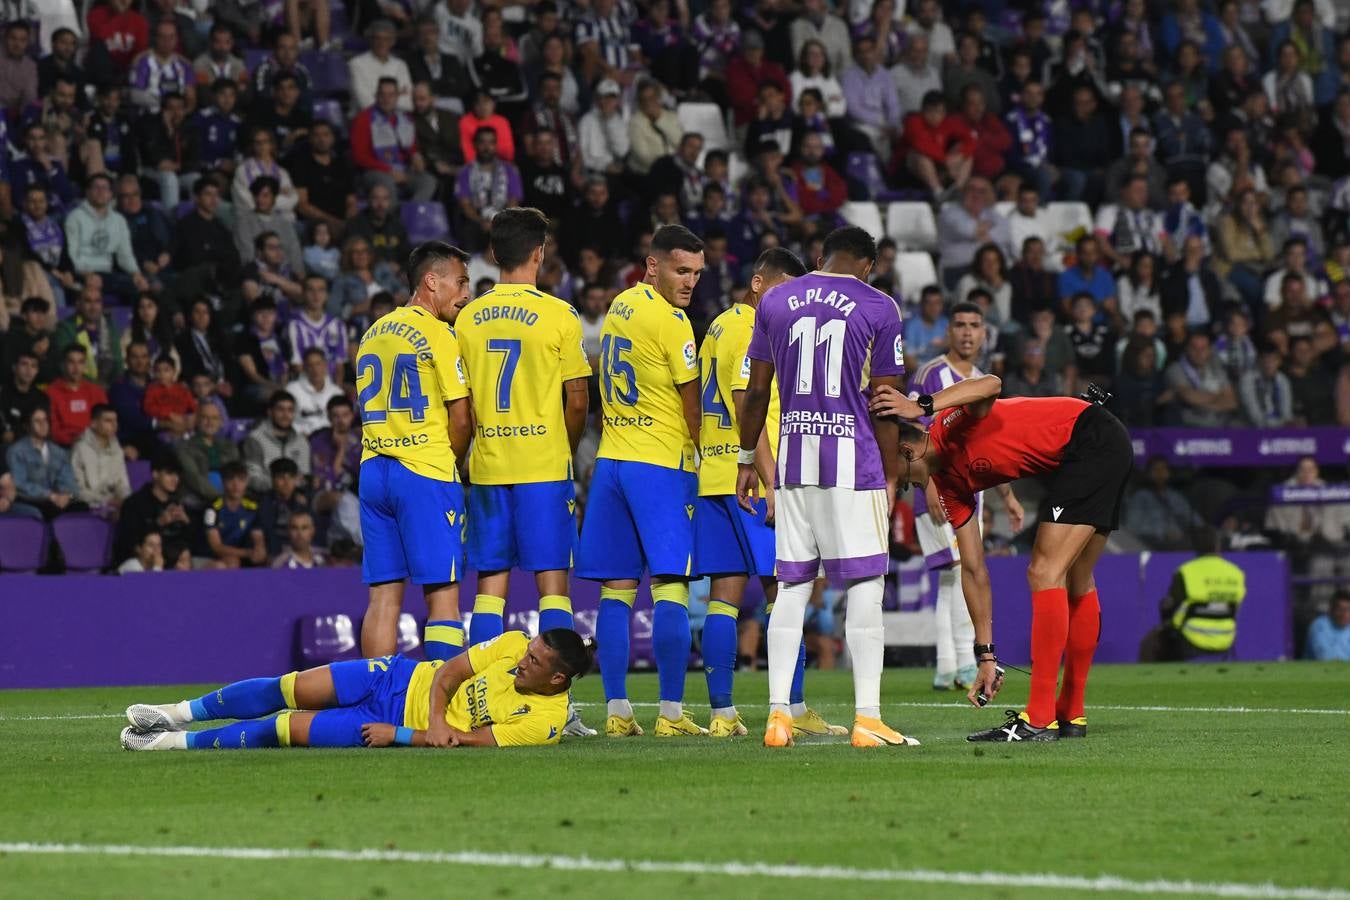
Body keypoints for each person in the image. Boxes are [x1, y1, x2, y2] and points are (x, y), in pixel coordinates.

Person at [872, 378, 1134, 742]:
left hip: (1090, 438)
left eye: (902, 480)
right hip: (1093, 448)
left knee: (1044, 572)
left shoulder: (949, 424)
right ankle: (1071, 713)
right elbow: (974, 568)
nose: (908, 488)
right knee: (1075, 581)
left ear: (907, 451)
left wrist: (922, 405)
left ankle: (1041, 719)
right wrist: (985, 656)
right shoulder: (948, 486)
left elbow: (991, 384)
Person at [736, 226, 912, 749]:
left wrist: (747, 458)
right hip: (851, 463)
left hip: (791, 459)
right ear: (867, 266)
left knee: (792, 585)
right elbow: (884, 402)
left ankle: (777, 716)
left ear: (819, 258)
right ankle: (868, 719)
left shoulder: (775, 300)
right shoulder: (879, 306)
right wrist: (891, 475)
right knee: (864, 585)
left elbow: (757, 391)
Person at [453, 209, 594, 735]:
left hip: (488, 467)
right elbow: (577, 399)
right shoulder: (559, 315)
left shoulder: (467, 317)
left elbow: (460, 404)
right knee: (552, 586)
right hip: (542, 466)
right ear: (541, 252)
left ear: (493, 255)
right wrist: (565, 447)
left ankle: (475, 697)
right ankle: (561, 707)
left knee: (490, 586)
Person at [694, 247, 845, 737]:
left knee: (723, 597)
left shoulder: (718, 325)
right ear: (759, 284)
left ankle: (721, 715)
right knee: (787, 592)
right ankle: (793, 707)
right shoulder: (748, 327)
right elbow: (748, 405)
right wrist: (772, 479)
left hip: (715, 475)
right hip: (755, 480)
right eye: (785, 290)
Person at [575, 225, 706, 738]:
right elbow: (692, 404)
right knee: (671, 587)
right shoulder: (674, 323)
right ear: (653, 266)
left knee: (616, 592)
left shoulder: (621, 305)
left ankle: (617, 710)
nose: (690, 282)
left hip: (611, 463)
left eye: (696, 273)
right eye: (681, 270)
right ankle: (671, 715)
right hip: (660, 465)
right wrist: (705, 458)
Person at [121, 629, 592, 751]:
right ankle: (176, 712)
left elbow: (468, 742)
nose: (521, 660)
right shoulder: (511, 644)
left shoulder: (544, 722)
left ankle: (165, 743)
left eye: (533, 662)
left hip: (391, 723)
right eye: (528, 650)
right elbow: (449, 673)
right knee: (288, 687)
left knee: (281, 729)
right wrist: (433, 721)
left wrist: (402, 735)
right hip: (396, 677)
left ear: (557, 680)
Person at [356, 241, 473, 663]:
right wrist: (451, 464)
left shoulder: (372, 334)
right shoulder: (439, 334)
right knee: (443, 592)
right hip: (424, 471)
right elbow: (461, 418)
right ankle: (438, 707)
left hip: (374, 472)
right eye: (460, 282)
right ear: (431, 280)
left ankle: (374, 700)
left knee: (384, 596)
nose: (465, 293)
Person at [907, 303, 1024, 691]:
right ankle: (959, 663)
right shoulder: (930, 374)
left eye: (975, 326)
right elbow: (912, 438)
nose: (968, 333)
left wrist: (1006, 496)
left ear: (985, 333)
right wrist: (929, 486)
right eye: (960, 325)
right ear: (948, 331)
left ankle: (949, 666)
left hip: (967, 491)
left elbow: (986, 446)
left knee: (953, 576)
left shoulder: (980, 380)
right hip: (937, 487)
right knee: (958, 571)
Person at [1138, 554, 1246, 661]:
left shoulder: (1186, 572)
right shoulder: (1236, 573)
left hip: (1189, 638)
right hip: (1225, 637)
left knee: (1150, 643)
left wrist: (1166, 617)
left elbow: (1171, 608)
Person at [6, 406, 83, 520]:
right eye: (37, 421)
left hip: (56, 497)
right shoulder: (17, 451)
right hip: (30, 499)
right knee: (52, 510)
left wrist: (66, 495)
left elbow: (68, 480)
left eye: (45, 420)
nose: (43, 424)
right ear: (27, 426)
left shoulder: (58, 452)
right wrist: (50, 495)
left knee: (81, 507)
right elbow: (19, 484)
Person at [115, 453, 192, 563]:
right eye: (169, 474)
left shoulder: (177, 503)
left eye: (177, 475)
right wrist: (159, 523)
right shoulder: (134, 503)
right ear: (155, 474)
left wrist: (187, 523)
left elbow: (190, 543)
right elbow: (129, 542)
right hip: (141, 563)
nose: (175, 479)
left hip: (173, 561)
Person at [1123, 457, 1207, 550]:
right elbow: (1132, 528)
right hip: (1151, 546)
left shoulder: (1175, 497)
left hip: (1179, 545)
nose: (1160, 474)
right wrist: (1162, 533)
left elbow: (1197, 522)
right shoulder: (1140, 498)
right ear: (1148, 473)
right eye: (1156, 470)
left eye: (1164, 469)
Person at [243, 390, 311, 493]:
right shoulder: (255, 439)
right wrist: (281, 485)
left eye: (290, 410)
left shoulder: (301, 441)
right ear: (270, 412)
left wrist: (290, 486)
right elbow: (253, 479)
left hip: (295, 494)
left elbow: (305, 476)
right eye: (280, 410)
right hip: (265, 494)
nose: (285, 415)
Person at [202, 460, 266, 568]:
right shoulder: (212, 509)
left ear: (246, 482)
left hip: (241, 556)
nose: (236, 485)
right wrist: (248, 553)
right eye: (230, 480)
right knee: (231, 563)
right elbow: (216, 547)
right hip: (211, 557)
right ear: (223, 482)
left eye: (241, 480)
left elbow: (258, 537)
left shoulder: (253, 507)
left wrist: (260, 550)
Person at [176, 401, 240, 504]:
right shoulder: (185, 447)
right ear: (197, 421)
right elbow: (194, 478)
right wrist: (220, 500)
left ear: (220, 422)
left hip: (228, 498)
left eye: (214, 418)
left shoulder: (229, 446)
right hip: (198, 499)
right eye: (205, 417)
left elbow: (236, 475)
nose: (210, 422)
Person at [45, 345, 109, 448]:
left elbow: (106, 422)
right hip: (64, 447)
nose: (76, 367)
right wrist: (75, 439)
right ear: (63, 364)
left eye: (80, 362)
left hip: (95, 445)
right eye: (71, 362)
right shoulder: (52, 392)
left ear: (85, 365)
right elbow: (52, 429)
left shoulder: (96, 391)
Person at [70, 404, 129, 515]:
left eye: (115, 421)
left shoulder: (117, 449)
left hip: (113, 503)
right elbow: (76, 490)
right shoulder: (80, 448)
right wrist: (107, 501)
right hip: (88, 504)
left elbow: (123, 484)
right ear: (94, 424)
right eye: (108, 421)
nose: (114, 425)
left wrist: (126, 500)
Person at [1306, 592, 1350, 661]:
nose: (1345, 614)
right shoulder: (1320, 625)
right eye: (1340, 609)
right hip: (1317, 670)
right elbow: (1324, 656)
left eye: (1348, 610)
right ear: (1331, 610)